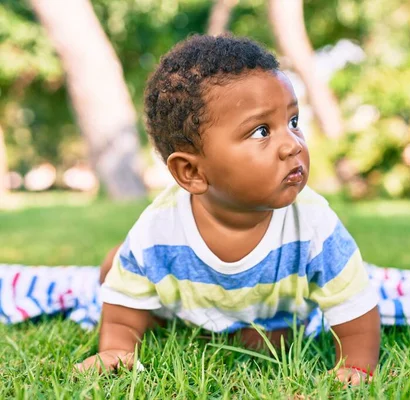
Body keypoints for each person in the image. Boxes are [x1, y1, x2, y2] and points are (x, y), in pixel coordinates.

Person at [76, 34, 381, 385]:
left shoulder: (313, 224)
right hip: (186, 311)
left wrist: (356, 366)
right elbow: (124, 313)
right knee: (114, 268)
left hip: (272, 322)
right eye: (262, 131)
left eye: (293, 122)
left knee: (270, 342)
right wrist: (117, 348)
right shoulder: (159, 229)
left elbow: (354, 306)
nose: (292, 145)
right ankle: (175, 321)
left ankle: (226, 331)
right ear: (191, 172)